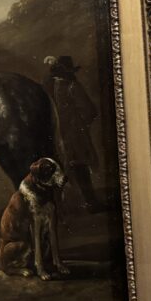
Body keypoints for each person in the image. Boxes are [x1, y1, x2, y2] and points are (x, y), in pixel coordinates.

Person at [43, 55, 104, 212]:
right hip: (74, 134)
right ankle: (90, 203)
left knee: (60, 168)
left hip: (55, 135)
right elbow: (90, 111)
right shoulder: (72, 86)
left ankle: (60, 207)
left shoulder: (49, 87)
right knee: (80, 168)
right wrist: (82, 124)